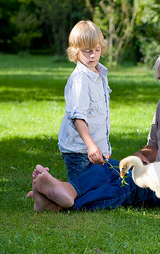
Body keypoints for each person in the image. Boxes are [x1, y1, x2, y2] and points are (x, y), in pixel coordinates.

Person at [29, 47, 160, 216]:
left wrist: (154, 173)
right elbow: (153, 148)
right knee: (109, 167)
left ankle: (65, 205)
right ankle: (68, 190)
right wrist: (135, 160)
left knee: (135, 184)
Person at [58, 20, 112, 181]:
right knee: (82, 197)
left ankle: (51, 190)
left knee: (99, 188)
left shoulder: (100, 74)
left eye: (97, 49)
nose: (93, 55)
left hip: (97, 149)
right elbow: (78, 117)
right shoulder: (79, 80)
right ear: (75, 52)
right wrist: (91, 146)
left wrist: (102, 147)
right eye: (87, 51)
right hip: (79, 151)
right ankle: (45, 190)